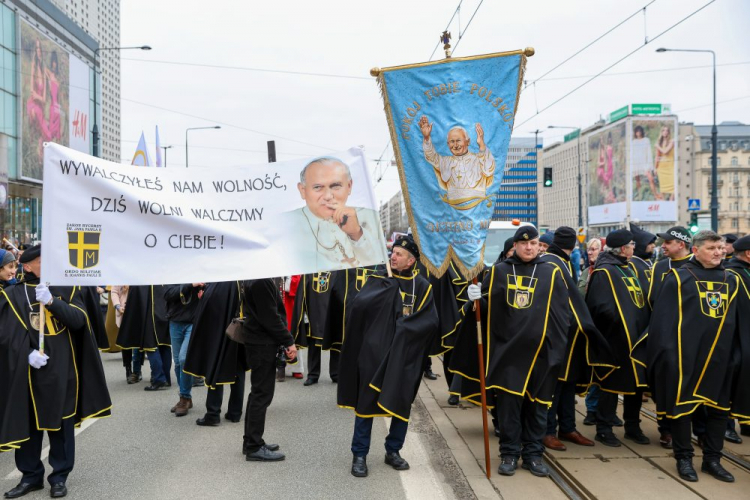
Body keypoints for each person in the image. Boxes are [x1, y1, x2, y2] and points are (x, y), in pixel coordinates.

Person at [0, 245, 111, 499]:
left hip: (63, 370)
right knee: (29, 426)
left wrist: (51, 301)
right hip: (28, 374)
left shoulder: (67, 288)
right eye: (41, 261)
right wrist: (26, 353)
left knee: (62, 426)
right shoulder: (12, 295)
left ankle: (59, 477)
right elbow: (6, 336)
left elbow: (79, 320)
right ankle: (30, 477)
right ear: (27, 266)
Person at [466, 226, 571, 477]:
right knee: (509, 409)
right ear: (515, 246)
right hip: (508, 352)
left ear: (539, 246)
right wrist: (474, 300)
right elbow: (488, 311)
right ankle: (510, 454)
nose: (529, 248)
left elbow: (561, 314)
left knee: (538, 409)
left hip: (541, 354)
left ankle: (533, 455)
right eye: (524, 244)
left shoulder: (551, 272)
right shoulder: (500, 271)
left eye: (533, 243)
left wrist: (557, 348)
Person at [636, 231, 739, 483]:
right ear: (695, 250)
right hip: (685, 359)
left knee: (718, 412)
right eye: (712, 248)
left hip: (721, 359)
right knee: (681, 411)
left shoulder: (733, 279)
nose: (719, 252)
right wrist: (669, 357)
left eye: (721, 247)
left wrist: (738, 356)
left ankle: (712, 460)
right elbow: (663, 323)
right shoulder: (678, 279)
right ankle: (684, 458)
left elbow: (740, 322)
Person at [338, 236, 438, 478]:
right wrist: (384, 292)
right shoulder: (379, 279)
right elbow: (358, 308)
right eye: (393, 252)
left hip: (405, 358)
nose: (393, 257)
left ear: (412, 260)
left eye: (399, 254)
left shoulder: (423, 287)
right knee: (366, 404)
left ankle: (393, 450)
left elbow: (429, 322)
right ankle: (359, 454)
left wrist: (403, 330)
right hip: (373, 355)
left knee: (401, 404)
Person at [539, 227, 615, 452]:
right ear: (573, 245)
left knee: (567, 383)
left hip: (569, 334)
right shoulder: (552, 263)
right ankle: (548, 430)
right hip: (557, 334)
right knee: (555, 384)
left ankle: (567, 427)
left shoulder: (559, 261)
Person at [586, 229, 650, 448]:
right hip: (616, 341)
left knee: (636, 386)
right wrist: (622, 328)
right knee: (611, 386)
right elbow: (599, 308)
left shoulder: (629, 268)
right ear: (624, 248)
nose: (634, 247)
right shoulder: (604, 272)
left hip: (636, 339)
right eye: (631, 244)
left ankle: (633, 427)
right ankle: (603, 429)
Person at [283, 157, 385, 270]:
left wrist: (357, 233)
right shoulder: (284, 223)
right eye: (317, 187)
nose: (328, 196)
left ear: (349, 186)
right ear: (303, 190)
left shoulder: (370, 216)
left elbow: (380, 266)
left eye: (335, 186)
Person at [241, 278, 297, 461]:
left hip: (258, 342)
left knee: (257, 393)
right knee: (262, 394)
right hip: (261, 344)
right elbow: (270, 317)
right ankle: (254, 446)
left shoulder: (256, 277)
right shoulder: (261, 281)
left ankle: (251, 440)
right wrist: (288, 341)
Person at [183, 281, 248, 427]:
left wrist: (204, 297)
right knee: (238, 369)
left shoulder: (222, 280)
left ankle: (213, 414)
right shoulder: (241, 277)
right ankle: (235, 412)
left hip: (222, 331)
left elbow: (212, 305)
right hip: (239, 328)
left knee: (216, 367)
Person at [418, 117, 496, 206]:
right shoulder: (445, 162)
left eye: (458, 140)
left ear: (468, 141)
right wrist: (427, 137)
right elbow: (430, 156)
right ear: (448, 144)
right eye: (452, 141)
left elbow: (489, 169)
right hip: (453, 209)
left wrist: (481, 144)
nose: (455, 145)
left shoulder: (479, 158)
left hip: (478, 206)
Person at [116, 285, 172, 391]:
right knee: (164, 345)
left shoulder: (143, 275)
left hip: (150, 314)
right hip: (165, 311)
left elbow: (137, 299)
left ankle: (159, 379)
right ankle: (166, 379)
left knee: (151, 346)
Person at [291, 272, 343, 386]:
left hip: (333, 311)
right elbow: (302, 292)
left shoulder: (337, 270)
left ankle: (336, 374)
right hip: (314, 311)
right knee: (314, 343)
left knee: (335, 342)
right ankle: (313, 375)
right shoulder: (310, 270)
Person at [164, 284, 202, 417]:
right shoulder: (173, 273)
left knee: (184, 359)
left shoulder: (199, 271)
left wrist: (201, 287)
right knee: (178, 363)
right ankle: (186, 397)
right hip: (175, 322)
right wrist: (190, 285)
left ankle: (184, 397)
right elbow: (168, 294)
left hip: (192, 322)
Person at [725, 235, 750, 438]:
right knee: (732, 381)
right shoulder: (731, 274)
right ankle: (727, 425)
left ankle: (746, 421)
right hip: (734, 338)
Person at [648, 226, 693, 308]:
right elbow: (653, 299)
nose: (662, 246)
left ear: (681, 245)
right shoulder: (658, 266)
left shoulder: (698, 263)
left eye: (668, 242)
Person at [631, 125, 658, 200]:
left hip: (644, 163)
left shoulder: (646, 140)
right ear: (635, 133)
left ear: (641, 132)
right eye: (637, 131)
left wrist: (649, 165)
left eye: (639, 131)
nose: (638, 133)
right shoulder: (633, 142)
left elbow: (648, 152)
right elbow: (632, 153)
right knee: (637, 180)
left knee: (651, 179)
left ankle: (655, 194)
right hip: (636, 162)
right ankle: (640, 195)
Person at [629, 223, 657, 287]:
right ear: (640, 245)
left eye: (653, 243)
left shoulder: (648, 260)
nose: (653, 246)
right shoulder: (631, 263)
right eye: (650, 243)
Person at [654, 125, 675, 201]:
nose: (665, 132)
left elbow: (665, 151)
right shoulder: (659, 143)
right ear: (661, 132)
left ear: (669, 132)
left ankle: (671, 201)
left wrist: (657, 146)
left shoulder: (672, 141)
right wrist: (655, 168)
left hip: (670, 166)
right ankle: (662, 204)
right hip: (661, 167)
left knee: (673, 186)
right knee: (662, 188)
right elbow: (657, 156)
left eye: (667, 130)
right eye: (663, 130)